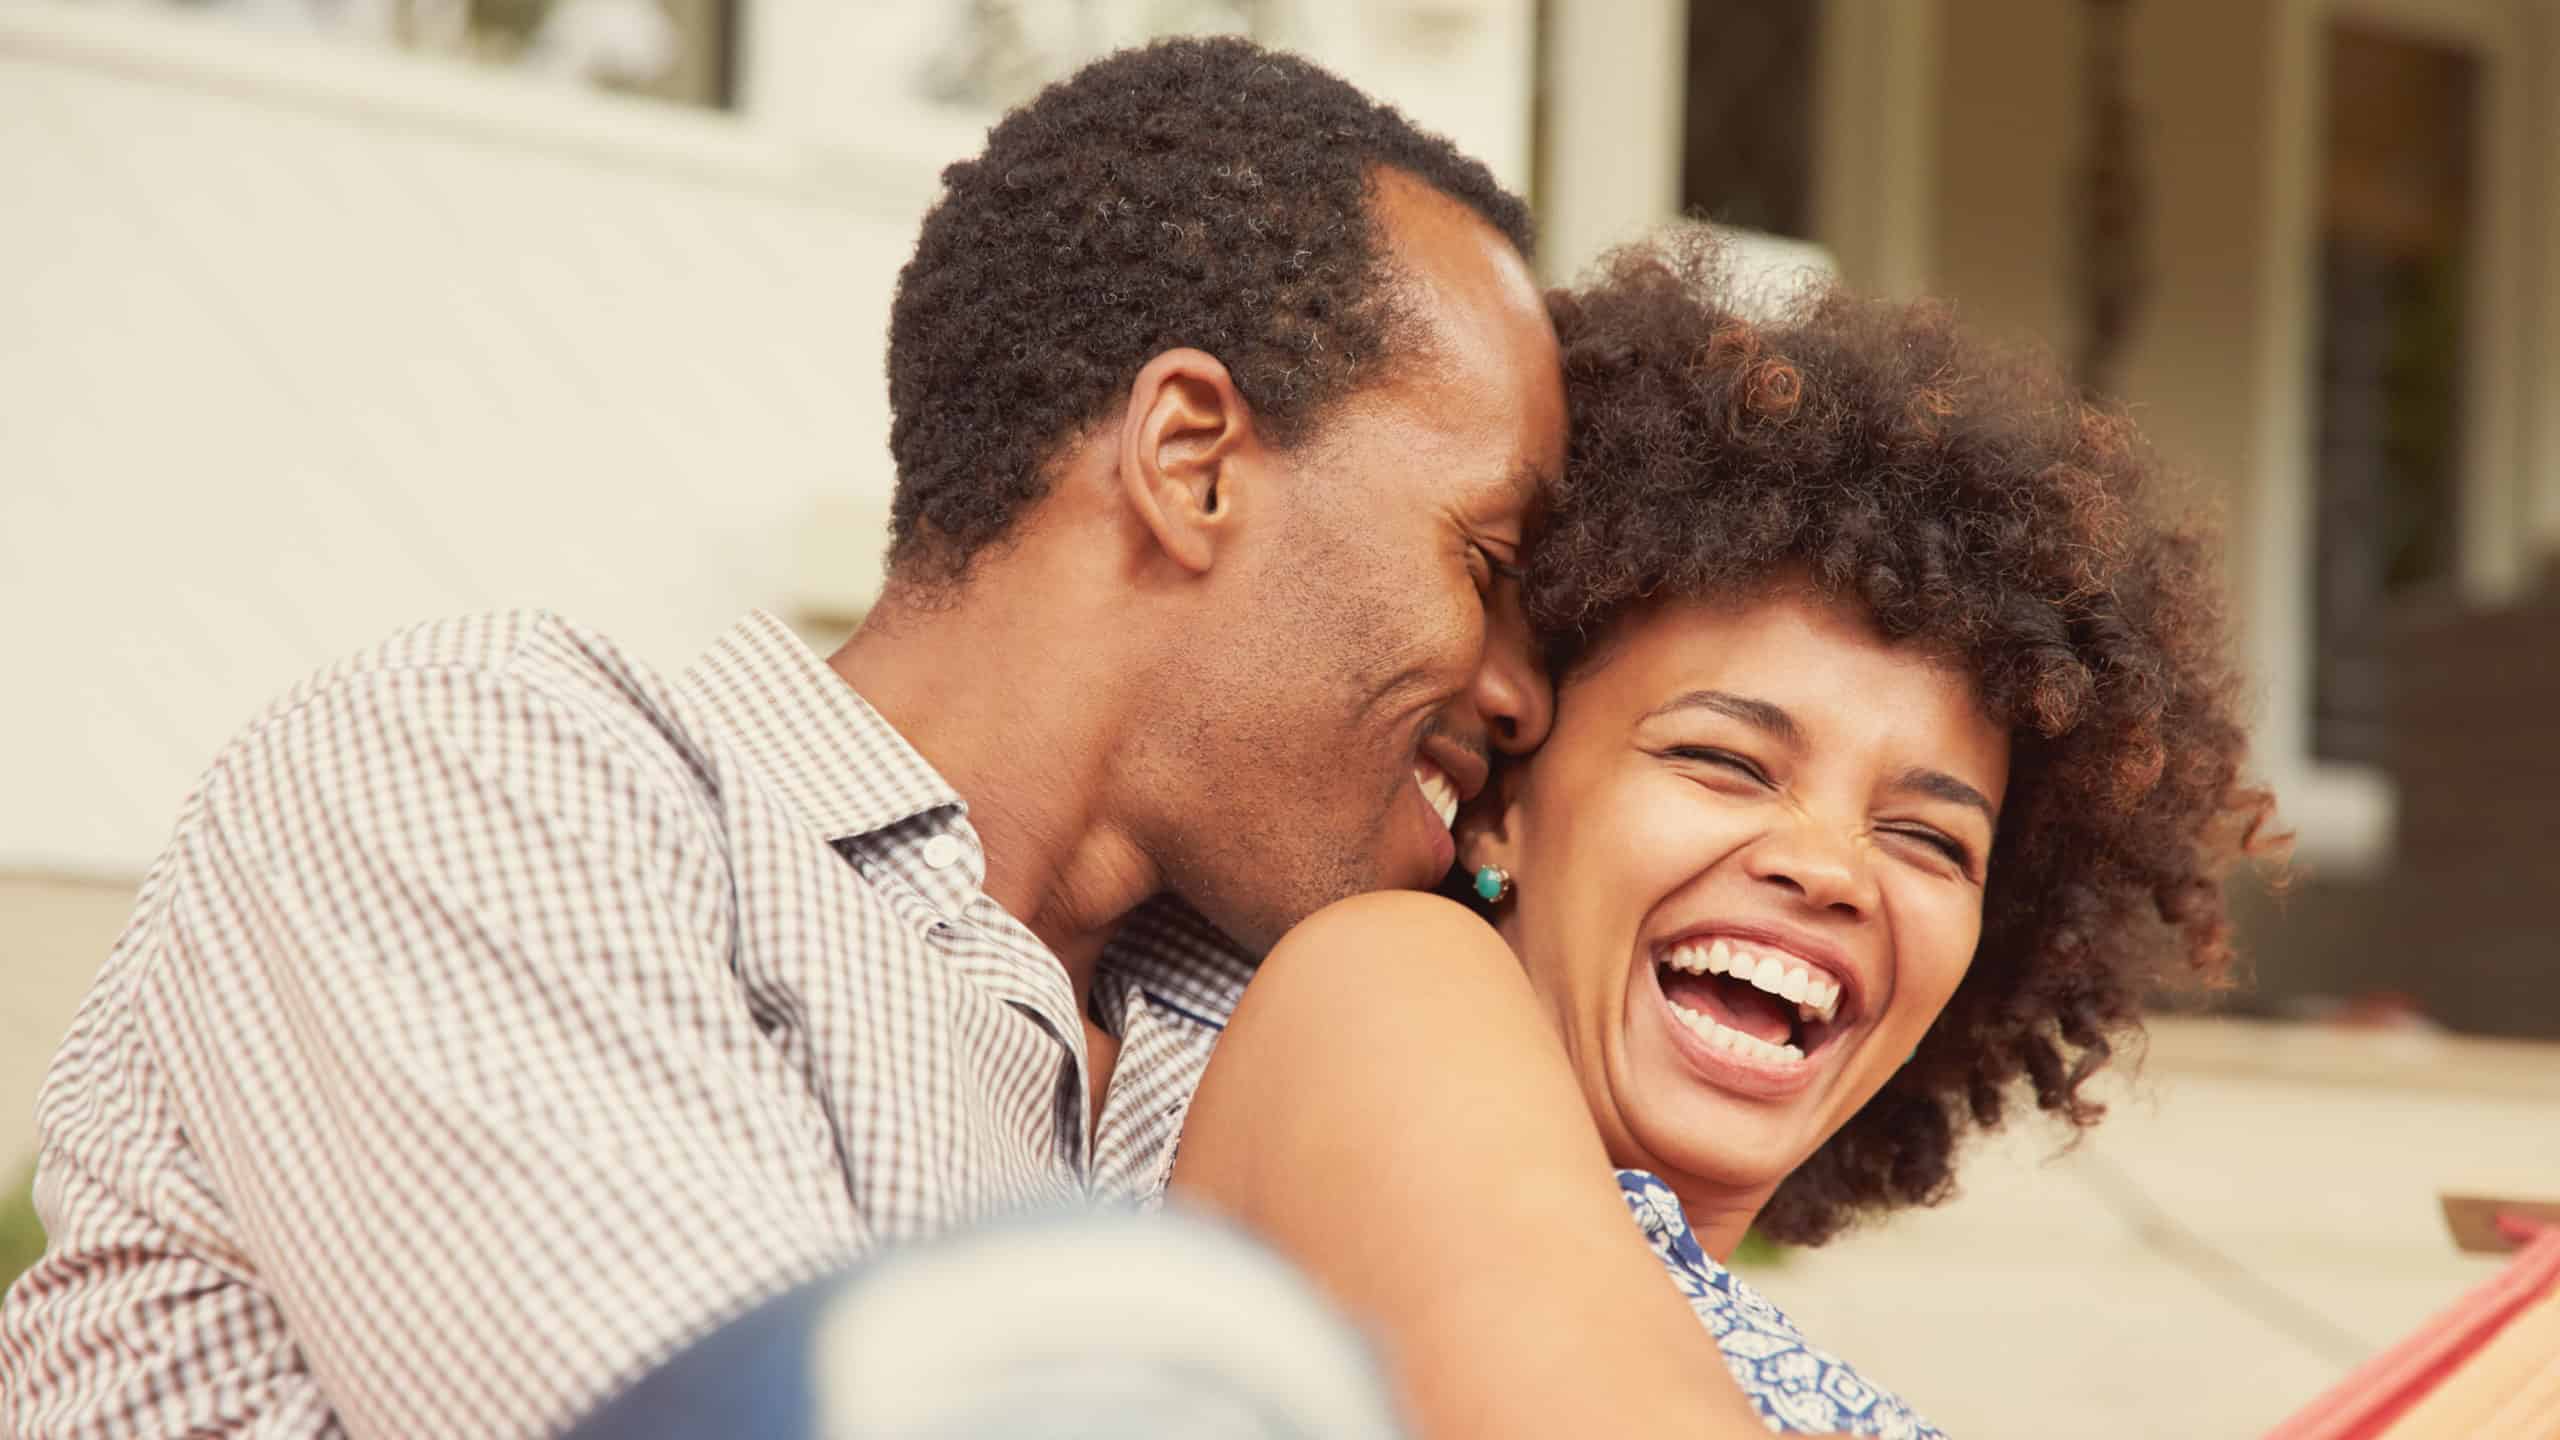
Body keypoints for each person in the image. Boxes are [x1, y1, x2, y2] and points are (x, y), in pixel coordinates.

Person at [0, 38, 1568, 1438]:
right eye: (1488, 571)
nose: (1523, 696)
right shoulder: (491, 771)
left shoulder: (1263, 1033)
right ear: (1192, 463)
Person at [1169, 232, 2284, 1439]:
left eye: (1928, 840)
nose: (1829, 867)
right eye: (1724, 762)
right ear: (1502, 801)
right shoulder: (1378, 983)